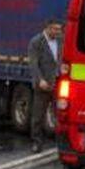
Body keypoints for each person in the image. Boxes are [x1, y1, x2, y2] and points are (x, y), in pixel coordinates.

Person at [28, 18, 63, 153]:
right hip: (43, 84)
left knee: (59, 114)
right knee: (38, 115)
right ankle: (37, 142)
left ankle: (60, 142)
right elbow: (33, 63)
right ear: (48, 28)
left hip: (58, 83)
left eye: (59, 29)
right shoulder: (36, 41)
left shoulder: (60, 41)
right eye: (55, 29)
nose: (58, 32)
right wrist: (39, 80)